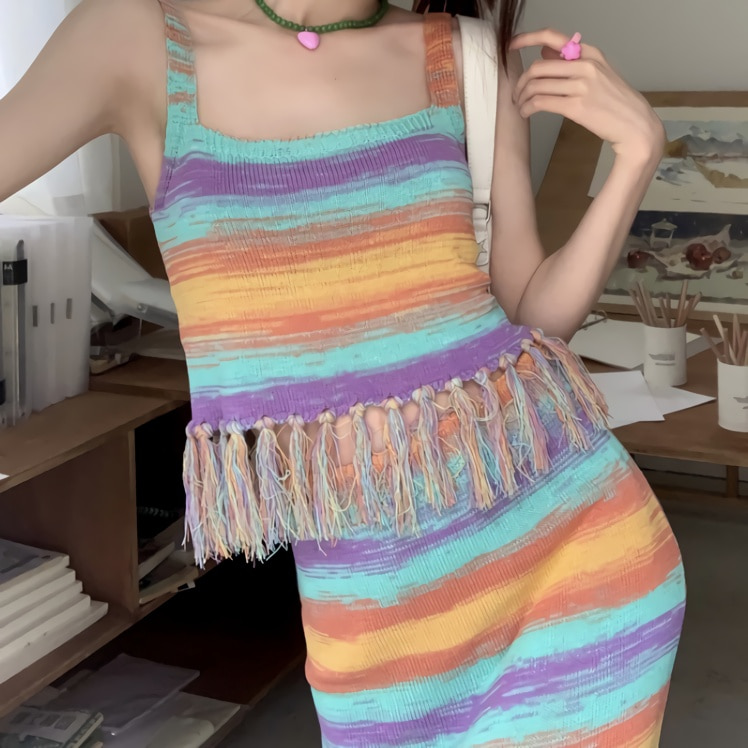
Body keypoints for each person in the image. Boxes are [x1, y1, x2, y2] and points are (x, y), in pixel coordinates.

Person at [0, 0, 685, 744]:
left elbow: (531, 313)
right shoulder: (137, 37)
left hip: (578, 551)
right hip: (371, 607)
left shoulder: (465, 54)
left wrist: (635, 158)